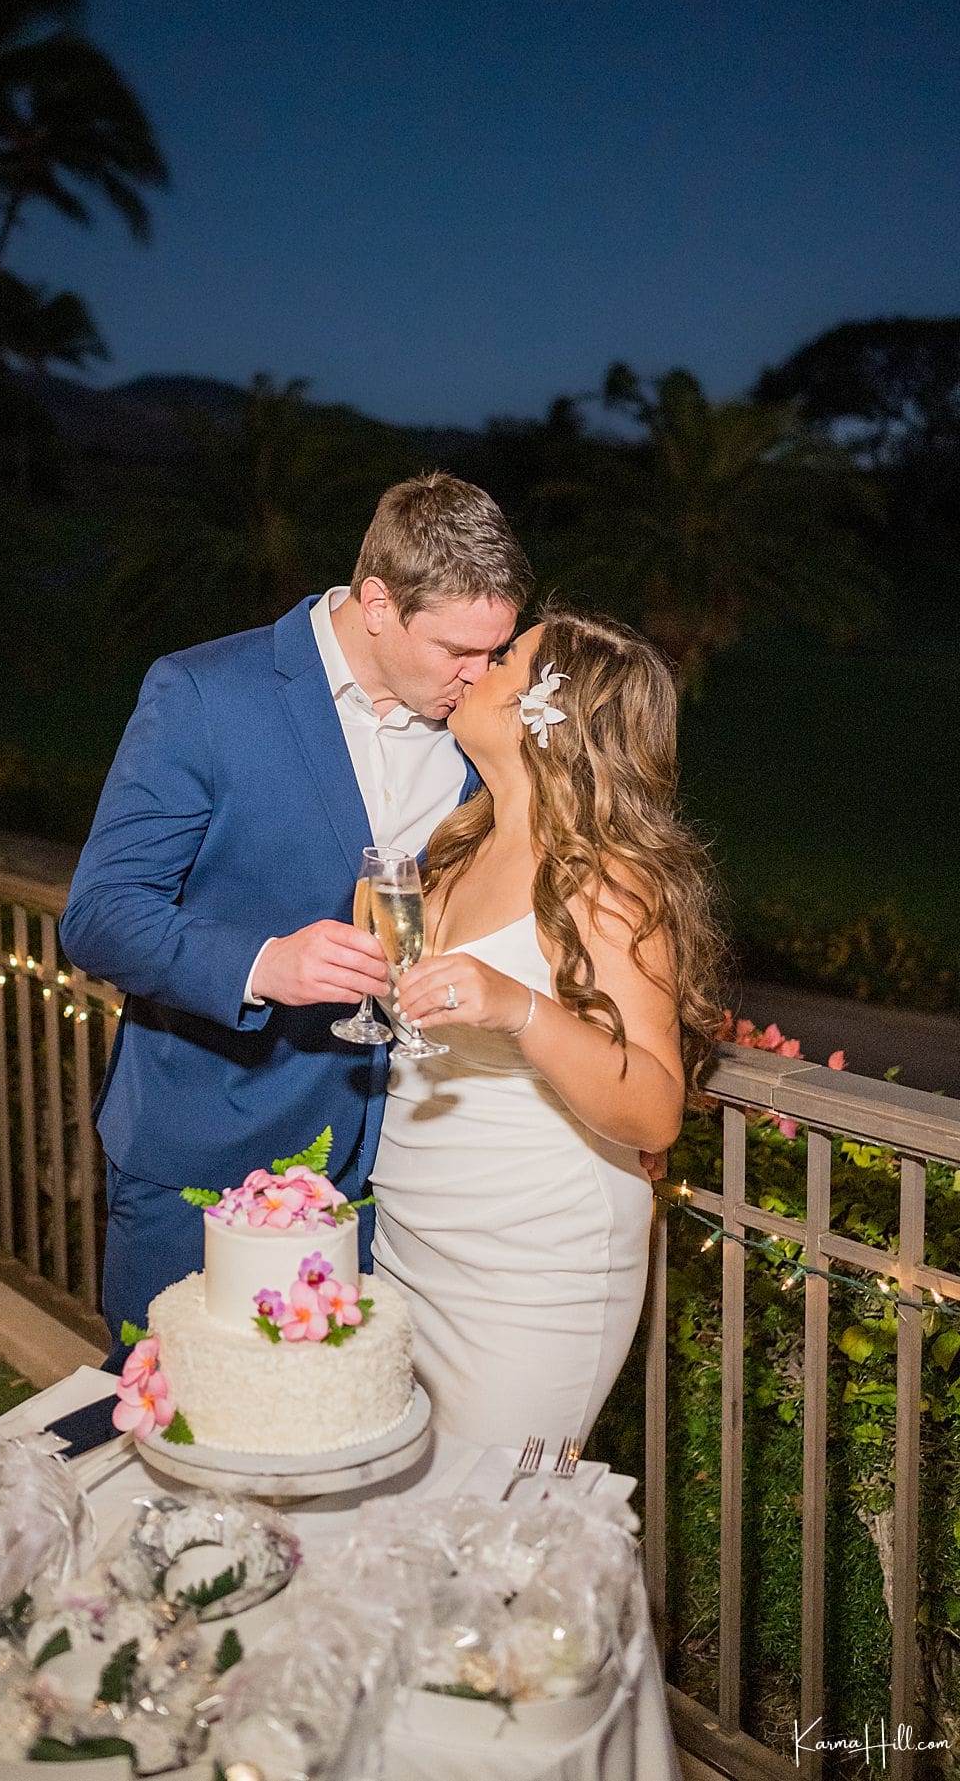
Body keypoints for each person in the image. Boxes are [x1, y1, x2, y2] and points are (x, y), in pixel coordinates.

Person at [58, 473, 529, 1364]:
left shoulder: (477, 730)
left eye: (496, 649)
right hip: (206, 1149)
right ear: (380, 603)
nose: (481, 676)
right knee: (178, 1438)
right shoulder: (204, 693)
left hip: (389, 1170)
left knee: (336, 1445)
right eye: (460, 649)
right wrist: (262, 965)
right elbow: (100, 914)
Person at [369, 608, 724, 1448]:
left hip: (530, 1265)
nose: (475, 666)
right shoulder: (452, 849)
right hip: (410, 1241)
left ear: (549, 711)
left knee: (500, 1541)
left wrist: (521, 1008)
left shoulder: (605, 882)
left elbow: (655, 1107)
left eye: (504, 657)